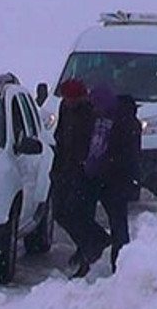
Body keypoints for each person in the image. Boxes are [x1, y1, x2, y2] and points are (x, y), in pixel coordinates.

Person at [50, 79, 109, 277]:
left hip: (84, 173)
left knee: (81, 214)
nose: (67, 102)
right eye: (65, 98)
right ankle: (94, 242)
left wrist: (87, 166)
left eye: (70, 99)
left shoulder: (91, 112)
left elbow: (95, 143)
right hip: (65, 169)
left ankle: (89, 253)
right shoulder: (65, 109)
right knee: (60, 211)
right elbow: (61, 135)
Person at [90, 89, 142, 272]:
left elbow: (126, 155)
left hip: (114, 180)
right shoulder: (122, 121)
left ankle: (120, 265)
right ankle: (119, 262)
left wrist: (102, 165)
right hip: (113, 180)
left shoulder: (120, 123)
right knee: (119, 224)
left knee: (118, 225)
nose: (95, 109)